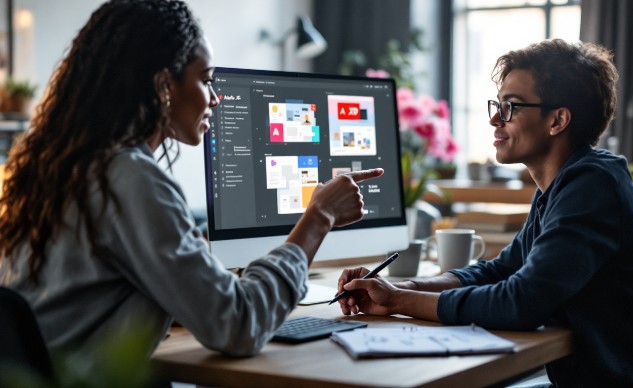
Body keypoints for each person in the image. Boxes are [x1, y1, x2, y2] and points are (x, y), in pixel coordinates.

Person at [0, 0, 383, 359]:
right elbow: (238, 325)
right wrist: (319, 216)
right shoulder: (129, 176)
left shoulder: (58, 166)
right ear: (163, 85)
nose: (215, 97)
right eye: (206, 80)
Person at [337, 39, 633, 386]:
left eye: (511, 107)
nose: (494, 119)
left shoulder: (592, 185)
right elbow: (502, 269)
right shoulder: (561, 185)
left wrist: (400, 300)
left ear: (558, 120)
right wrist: (404, 285)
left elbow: (521, 301)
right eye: (497, 105)